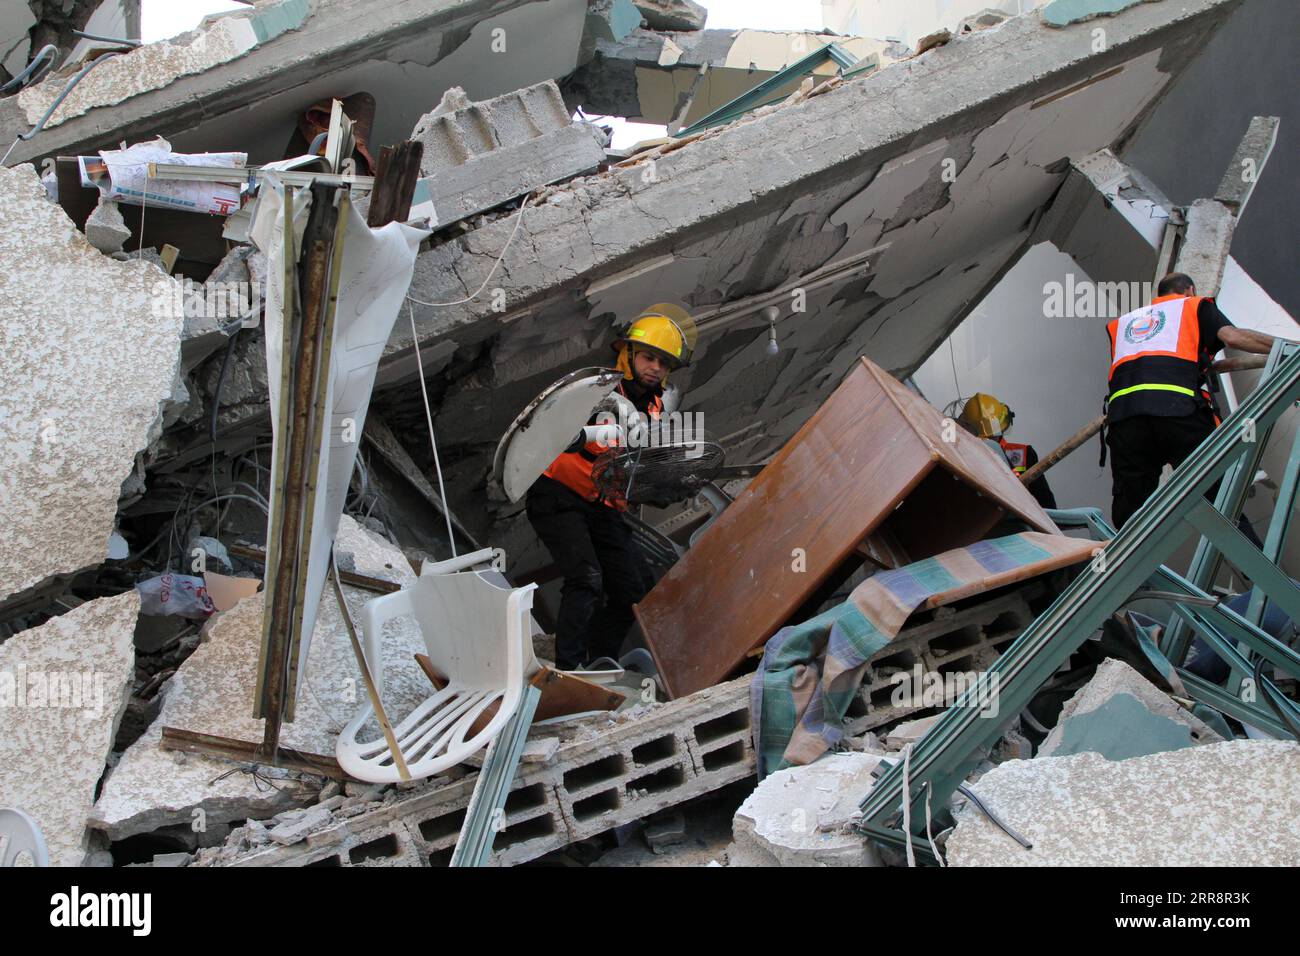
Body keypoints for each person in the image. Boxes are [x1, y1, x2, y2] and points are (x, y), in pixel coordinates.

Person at [526, 306, 693, 671]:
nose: (656, 368)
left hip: (603, 507)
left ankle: (599, 662)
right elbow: (561, 433)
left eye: (665, 364)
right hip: (559, 494)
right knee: (586, 578)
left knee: (634, 589)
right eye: (650, 357)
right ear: (627, 354)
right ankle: (569, 669)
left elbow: (640, 466)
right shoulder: (593, 390)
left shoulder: (653, 410)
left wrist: (663, 483)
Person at [1105, 272, 1283, 529]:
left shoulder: (1123, 324)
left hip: (1125, 421)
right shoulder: (1194, 305)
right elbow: (1234, 337)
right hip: (1177, 412)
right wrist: (1287, 346)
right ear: (1189, 290)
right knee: (1219, 501)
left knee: (1130, 515)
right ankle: (1253, 565)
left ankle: (1120, 565)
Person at [958, 392, 1057, 509]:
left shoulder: (957, 457)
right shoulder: (956, 458)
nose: (988, 440)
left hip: (1019, 523)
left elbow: (1048, 510)